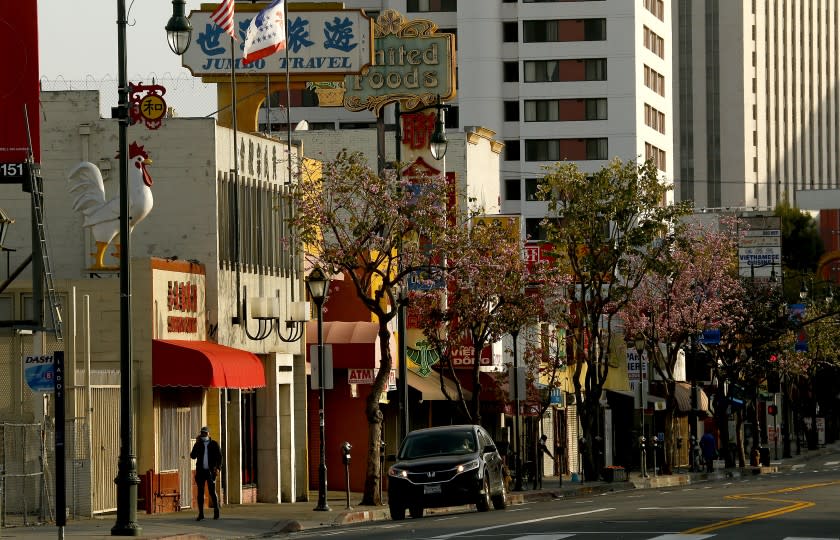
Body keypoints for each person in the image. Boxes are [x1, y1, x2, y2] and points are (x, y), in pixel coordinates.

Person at [190, 426, 223, 521]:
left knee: (212, 491)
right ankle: (201, 514)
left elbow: (220, 457)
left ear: (208, 434)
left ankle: (216, 511)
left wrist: (218, 468)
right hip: (201, 471)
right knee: (200, 492)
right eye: (202, 433)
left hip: (210, 471)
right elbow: (192, 456)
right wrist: (196, 443)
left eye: (205, 433)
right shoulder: (198, 444)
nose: (203, 435)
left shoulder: (214, 444)